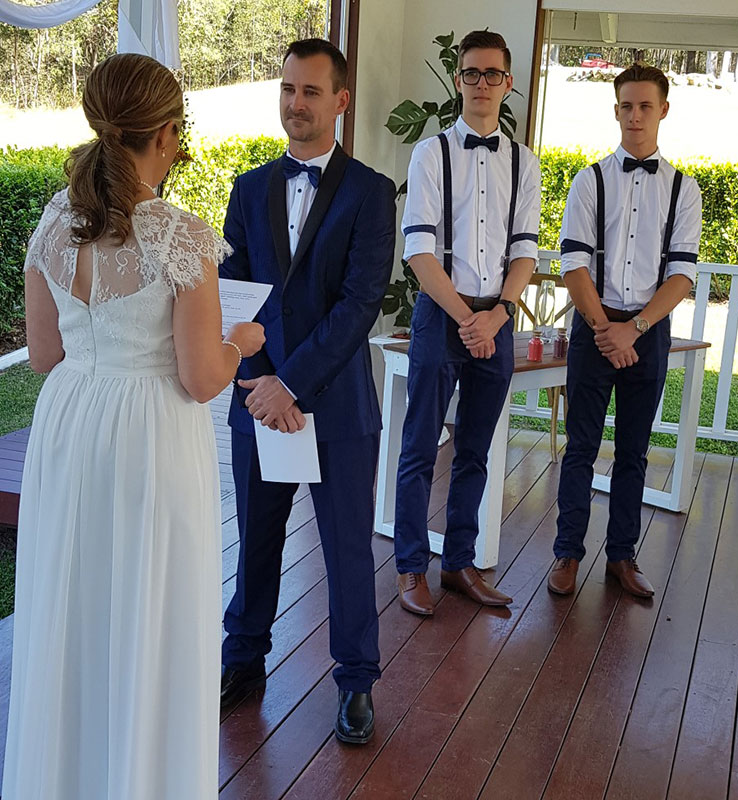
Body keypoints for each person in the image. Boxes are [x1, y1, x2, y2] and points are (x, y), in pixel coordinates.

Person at [2, 53, 264, 800]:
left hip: (70, 427)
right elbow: (201, 376)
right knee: (150, 615)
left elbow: (46, 353)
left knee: (72, 606)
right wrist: (242, 341)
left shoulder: (55, 217)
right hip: (149, 434)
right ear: (169, 132)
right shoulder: (179, 236)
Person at [218, 38, 395, 745]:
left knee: (347, 550)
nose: (296, 104)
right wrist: (259, 384)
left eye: (311, 92)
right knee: (256, 542)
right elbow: (233, 299)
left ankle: (356, 683)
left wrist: (290, 381)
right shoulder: (247, 187)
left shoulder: (372, 193)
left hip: (337, 407)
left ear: (340, 101)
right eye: (288, 89)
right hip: (259, 400)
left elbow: (359, 306)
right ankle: (243, 661)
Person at [393, 30, 540, 616]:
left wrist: (497, 315)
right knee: (419, 449)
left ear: (507, 84)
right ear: (459, 80)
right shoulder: (431, 154)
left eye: (493, 75)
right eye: (472, 73)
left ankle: (457, 563)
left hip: (496, 317)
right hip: (441, 314)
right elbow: (419, 253)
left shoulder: (524, 161)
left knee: (476, 450)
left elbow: (525, 249)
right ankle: (410, 567)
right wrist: (466, 319)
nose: (482, 84)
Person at [548, 63, 702, 598]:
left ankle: (622, 557)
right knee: (581, 447)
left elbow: (682, 274)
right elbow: (573, 264)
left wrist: (633, 329)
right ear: (615, 110)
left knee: (634, 450)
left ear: (662, 109)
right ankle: (567, 553)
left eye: (645, 106)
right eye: (626, 106)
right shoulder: (588, 181)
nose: (635, 115)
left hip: (647, 331)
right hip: (595, 327)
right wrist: (603, 328)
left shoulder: (685, 188)